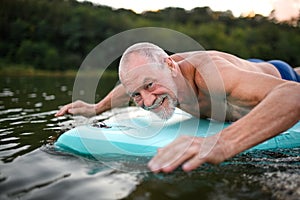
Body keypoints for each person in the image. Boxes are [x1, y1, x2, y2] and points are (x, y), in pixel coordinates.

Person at [55, 42, 300, 173]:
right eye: (137, 96)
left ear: (170, 66)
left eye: (150, 86)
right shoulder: (149, 78)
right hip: (245, 70)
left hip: (282, 75)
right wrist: (96, 108)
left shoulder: (210, 77)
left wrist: (223, 142)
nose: (147, 102)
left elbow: (293, 95)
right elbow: (128, 86)